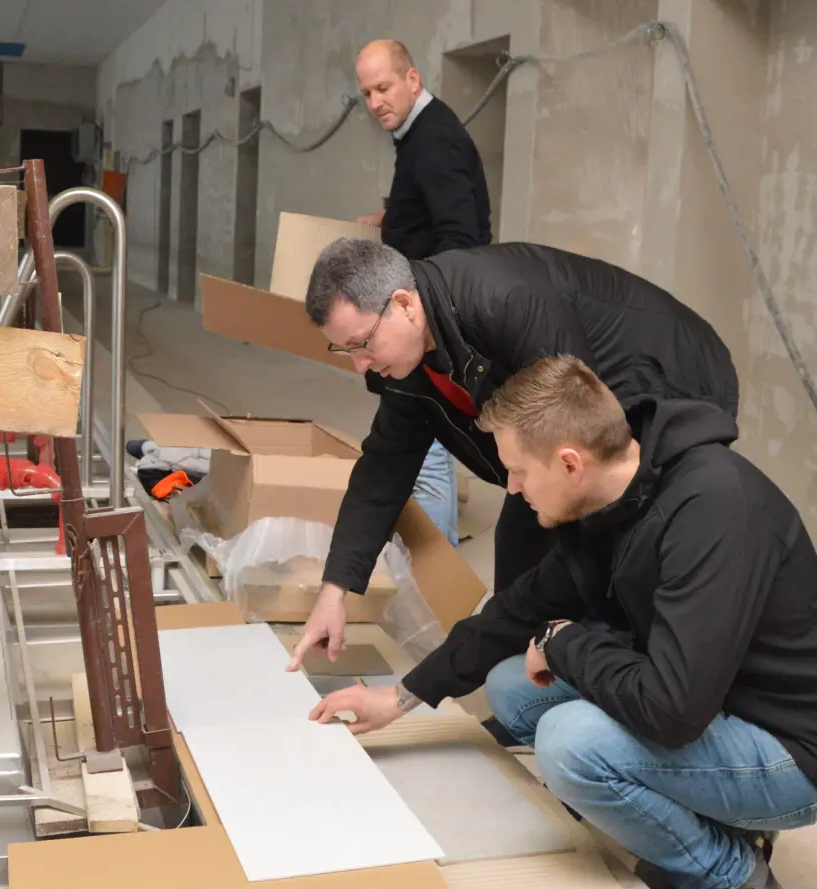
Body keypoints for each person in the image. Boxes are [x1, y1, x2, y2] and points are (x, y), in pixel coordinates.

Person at [309, 355, 817, 889]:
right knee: (510, 686)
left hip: (797, 751)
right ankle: (688, 808)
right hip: (714, 699)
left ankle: (730, 876)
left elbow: (674, 710)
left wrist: (564, 644)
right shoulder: (612, 499)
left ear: (570, 463)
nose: (512, 488)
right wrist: (400, 698)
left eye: (518, 471)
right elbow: (515, 611)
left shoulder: (712, 510)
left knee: (569, 743)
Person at [285, 237, 738, 681]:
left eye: (362, 343)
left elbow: (575, 420)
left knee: (618, 538)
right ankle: (523, 685)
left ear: (404, 304)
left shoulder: (506, 302)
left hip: (669, 373)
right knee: (522, 543)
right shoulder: (405, 360)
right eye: (345, 350)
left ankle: (629, 676)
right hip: (581, 397)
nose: (359, 365)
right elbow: (384, 466)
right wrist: (335, 589)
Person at [352, 37, 494, 548]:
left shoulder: (433, 140)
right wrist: (390, 217)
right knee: (423, 442)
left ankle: (435, 575)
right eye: (367, 93)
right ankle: (432, 569)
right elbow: (436, 203)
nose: (375, 102)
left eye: (384, 87)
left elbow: (461, 237)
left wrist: (423, 320)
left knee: (424, 450)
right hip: (423, 317)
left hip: (431, 323)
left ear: (412, 79)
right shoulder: (419, 134)